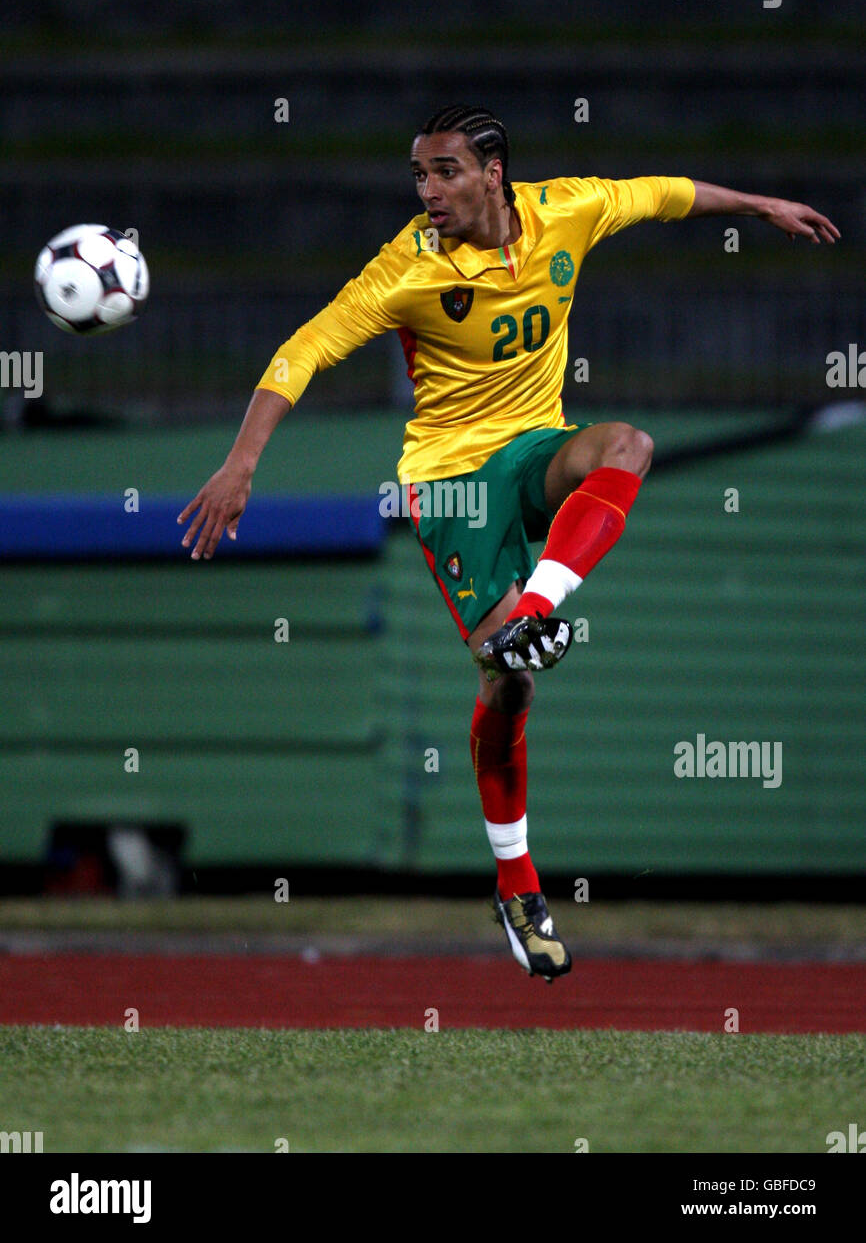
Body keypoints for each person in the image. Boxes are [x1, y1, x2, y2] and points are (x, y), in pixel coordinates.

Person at [178, 105, 839, 983]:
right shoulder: (405, 267)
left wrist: (760, 206)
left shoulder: (566, 208)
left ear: (495, 174)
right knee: (512, 681)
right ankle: (519, 886)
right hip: (451, 483)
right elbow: (303, 351)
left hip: (534, 449)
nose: (429, 191)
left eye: (445, 171)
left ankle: (536, 607)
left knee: (628, 445)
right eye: (418, 175)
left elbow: (667, 196)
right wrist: (240, 464)